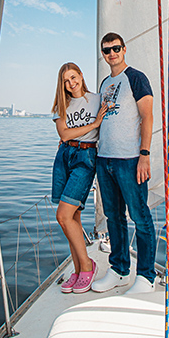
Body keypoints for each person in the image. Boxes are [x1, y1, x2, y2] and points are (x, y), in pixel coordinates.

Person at [91, 32, 157, 294]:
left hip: (130, 160)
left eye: (116, 48)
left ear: (124, 49)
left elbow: (147, 117)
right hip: (104, 159)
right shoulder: (105, 82)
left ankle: (146, 277)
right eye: (107, 50)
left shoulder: (136, 78)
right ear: (103, 54)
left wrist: (145, 154)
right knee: (113, 217)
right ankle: (119, 270)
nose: (112, 53)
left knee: (140, 217)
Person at [51, 62, 107, 293]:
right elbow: (64, 134)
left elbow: (108, 127)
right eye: (66, 80)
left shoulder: (96, 99)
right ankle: (76, 270)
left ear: (81, 76)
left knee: (62, 216)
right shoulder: (60, 105)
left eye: (74, 77)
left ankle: (87, 265)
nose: (71, 83)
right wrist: (93, 124)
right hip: (65, 156)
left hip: (86, 156)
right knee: (72, 217)